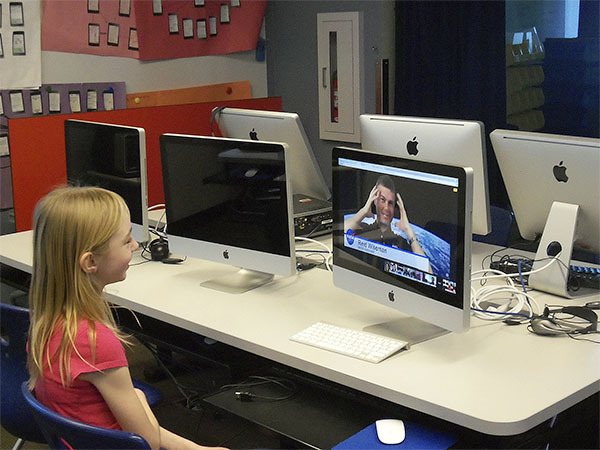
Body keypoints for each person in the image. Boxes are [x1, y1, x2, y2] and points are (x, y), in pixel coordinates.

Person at [26, 186, 227, 450]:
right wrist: (140, 398)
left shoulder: (47, 323)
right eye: (126, 240)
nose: (134, 245)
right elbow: (149, 441)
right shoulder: (94, 341)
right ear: (90, 263)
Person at [344, 174, 430, 261]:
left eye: (390, 203)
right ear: (374, 200)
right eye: (382, 200)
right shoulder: (363, 230)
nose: (386, 208)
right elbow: (340, 233)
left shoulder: (400, 242)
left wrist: (408, 230)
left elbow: (427, 271)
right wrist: (364, 211)